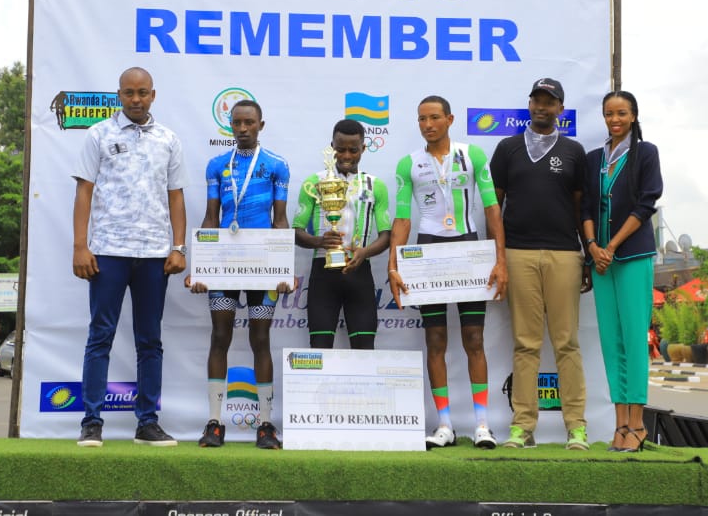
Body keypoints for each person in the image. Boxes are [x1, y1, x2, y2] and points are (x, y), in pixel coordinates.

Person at [72, 66, 188, 448]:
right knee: (100, 335)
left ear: (153, 95)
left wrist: (178, 246)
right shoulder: (98, 134)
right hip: (107, 251)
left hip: (154, 254)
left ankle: (147, 423)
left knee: (150, 340)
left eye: (142, 93)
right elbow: (84, 192)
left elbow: (176, 195)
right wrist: (80, 245)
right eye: (128, 93)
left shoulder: (169, 139)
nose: (136, 99)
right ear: (119, 95)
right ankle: (92, 422)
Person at [387, 95, 507, 450]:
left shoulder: (473, 156)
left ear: (450, 119)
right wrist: (394, 265)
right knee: (435, 341)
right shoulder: (409, 163)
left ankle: (483, 423)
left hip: (469, 249)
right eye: (422, 119)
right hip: (427, 252)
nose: (428, 125)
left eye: (435, 117)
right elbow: (403, 219)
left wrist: (500, 259)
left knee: (474, 339)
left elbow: (492, 208)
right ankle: (444, 425)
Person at [490, 77, 590, 451]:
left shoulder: (575, 151)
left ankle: (576, 427)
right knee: (525, 344)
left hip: (564, 253)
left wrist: (585, 252)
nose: (541, 107)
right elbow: (494, 208)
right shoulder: (508, 148)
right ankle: (522, 427)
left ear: (560, 109)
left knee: (567, 343)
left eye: (549, 102)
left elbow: (581, 208)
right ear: (529, 105)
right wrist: (497, 256)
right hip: (518, 253)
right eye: (536, 100)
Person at [187, 100, 291, 450]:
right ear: (230, 126)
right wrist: (200, 267)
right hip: (226, 266)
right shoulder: (217, 166)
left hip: (263, 267)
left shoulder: (277, 165)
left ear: (261, 124)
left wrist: (284, 270)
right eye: (237, 123)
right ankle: (215, 423)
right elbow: (210, 219)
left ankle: (265, 425)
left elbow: (280, 221)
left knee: (260, 341)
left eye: (249, 123)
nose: (243, 129)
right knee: (220, 337)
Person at [581, 90, 663, 453]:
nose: (615, 119)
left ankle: (638, 424)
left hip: (631, 256)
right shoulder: (594, 158)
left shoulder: (645, 153)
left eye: (621, 113)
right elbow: (583, 206)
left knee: (633, 341)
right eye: (609, 114)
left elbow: (648, 203)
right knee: (612, 345)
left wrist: (611, 245)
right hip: (600, 261)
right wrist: (593, 247)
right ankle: (619, 424)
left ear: (633, 115)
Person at [293, 119, 392, 349]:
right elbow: (296, 232)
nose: (347, 155)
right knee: (320, 346)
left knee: (365, 347)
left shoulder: (375, 185)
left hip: (359, 273)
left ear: (363, 149)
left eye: (353, 150)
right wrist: (319, 241)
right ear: (331, 148)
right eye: (340, 149)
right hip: (323, 273)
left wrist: (364, 252)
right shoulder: (314, 183)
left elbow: (386, 235)